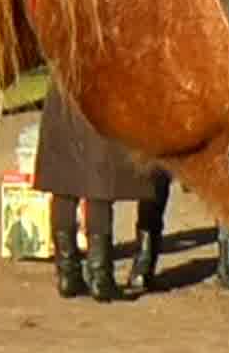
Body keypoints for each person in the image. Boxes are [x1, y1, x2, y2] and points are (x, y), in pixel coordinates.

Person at [27, 87, 169, 303]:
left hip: (64, 85)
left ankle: (67, 273)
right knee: (98, 186)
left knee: (64, 184)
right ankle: (100, 276)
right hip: (98, 85)